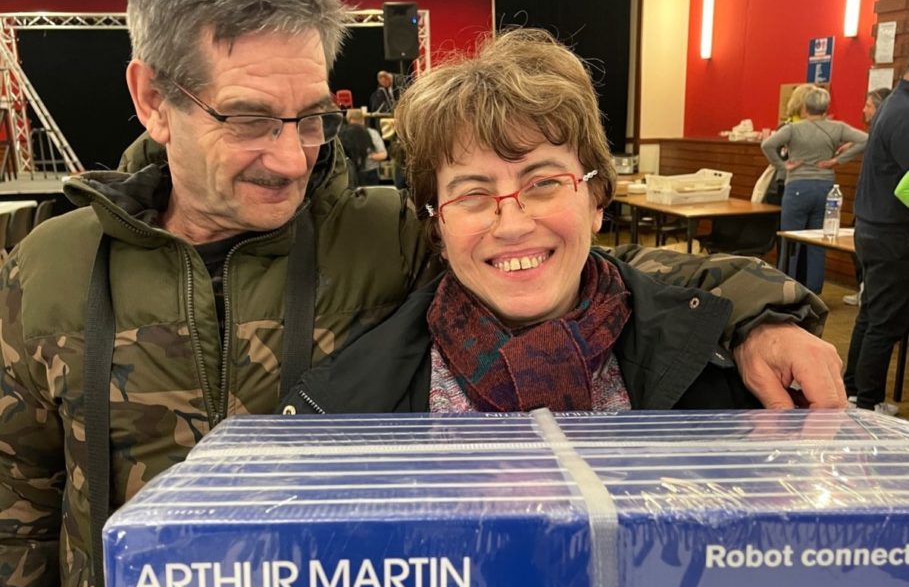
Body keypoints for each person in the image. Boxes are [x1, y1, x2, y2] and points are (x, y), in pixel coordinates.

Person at [0, 0, 844, 587]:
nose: (288, 157)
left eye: (311, 118)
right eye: (247, 118)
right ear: (151, 98)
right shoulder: (52, 268)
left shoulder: (379, 236)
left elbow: (580, 269)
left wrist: (758, 312)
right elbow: (17, 488)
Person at [281, 29, 846, 417]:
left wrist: (761, 322)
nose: (512, 223)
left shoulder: (725, 370)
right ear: (438, 228)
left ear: (597, 198)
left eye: (543, 183)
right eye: (472, 194)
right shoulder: (355, 401)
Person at [843, 65, 909, 414]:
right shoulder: (905, 112)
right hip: (891, 233)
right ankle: (867, 404)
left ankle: (853, 390)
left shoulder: (893, 103)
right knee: (884, 323)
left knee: (870, 314)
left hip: (873, 226)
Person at [761, 87, 867, 294]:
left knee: (791, 241)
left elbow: (767, 145)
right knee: (818, 242)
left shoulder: (793, 129)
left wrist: (783, 166)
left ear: (804, 107)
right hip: (826, 187)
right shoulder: (837, 128)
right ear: (827, 108)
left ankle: (787, 290)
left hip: (798, 187)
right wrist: (838, 159)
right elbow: (865, 139)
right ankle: (814, 291)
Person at [843, 86, 892, 306]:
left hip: (880, 211)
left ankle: (867, 290)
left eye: (869, 105)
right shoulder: (875, 133)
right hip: (867, 206)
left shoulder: (887, 133)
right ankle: (864, 288)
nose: (864, 110)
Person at [339, 107, 387, 185]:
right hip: (362, 173)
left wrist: (367, 156)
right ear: (363, 120)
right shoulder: (372, 133)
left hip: (358, 173)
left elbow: (383, 155)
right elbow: (383, 155)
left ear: (349, 120)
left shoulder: (343, 134)